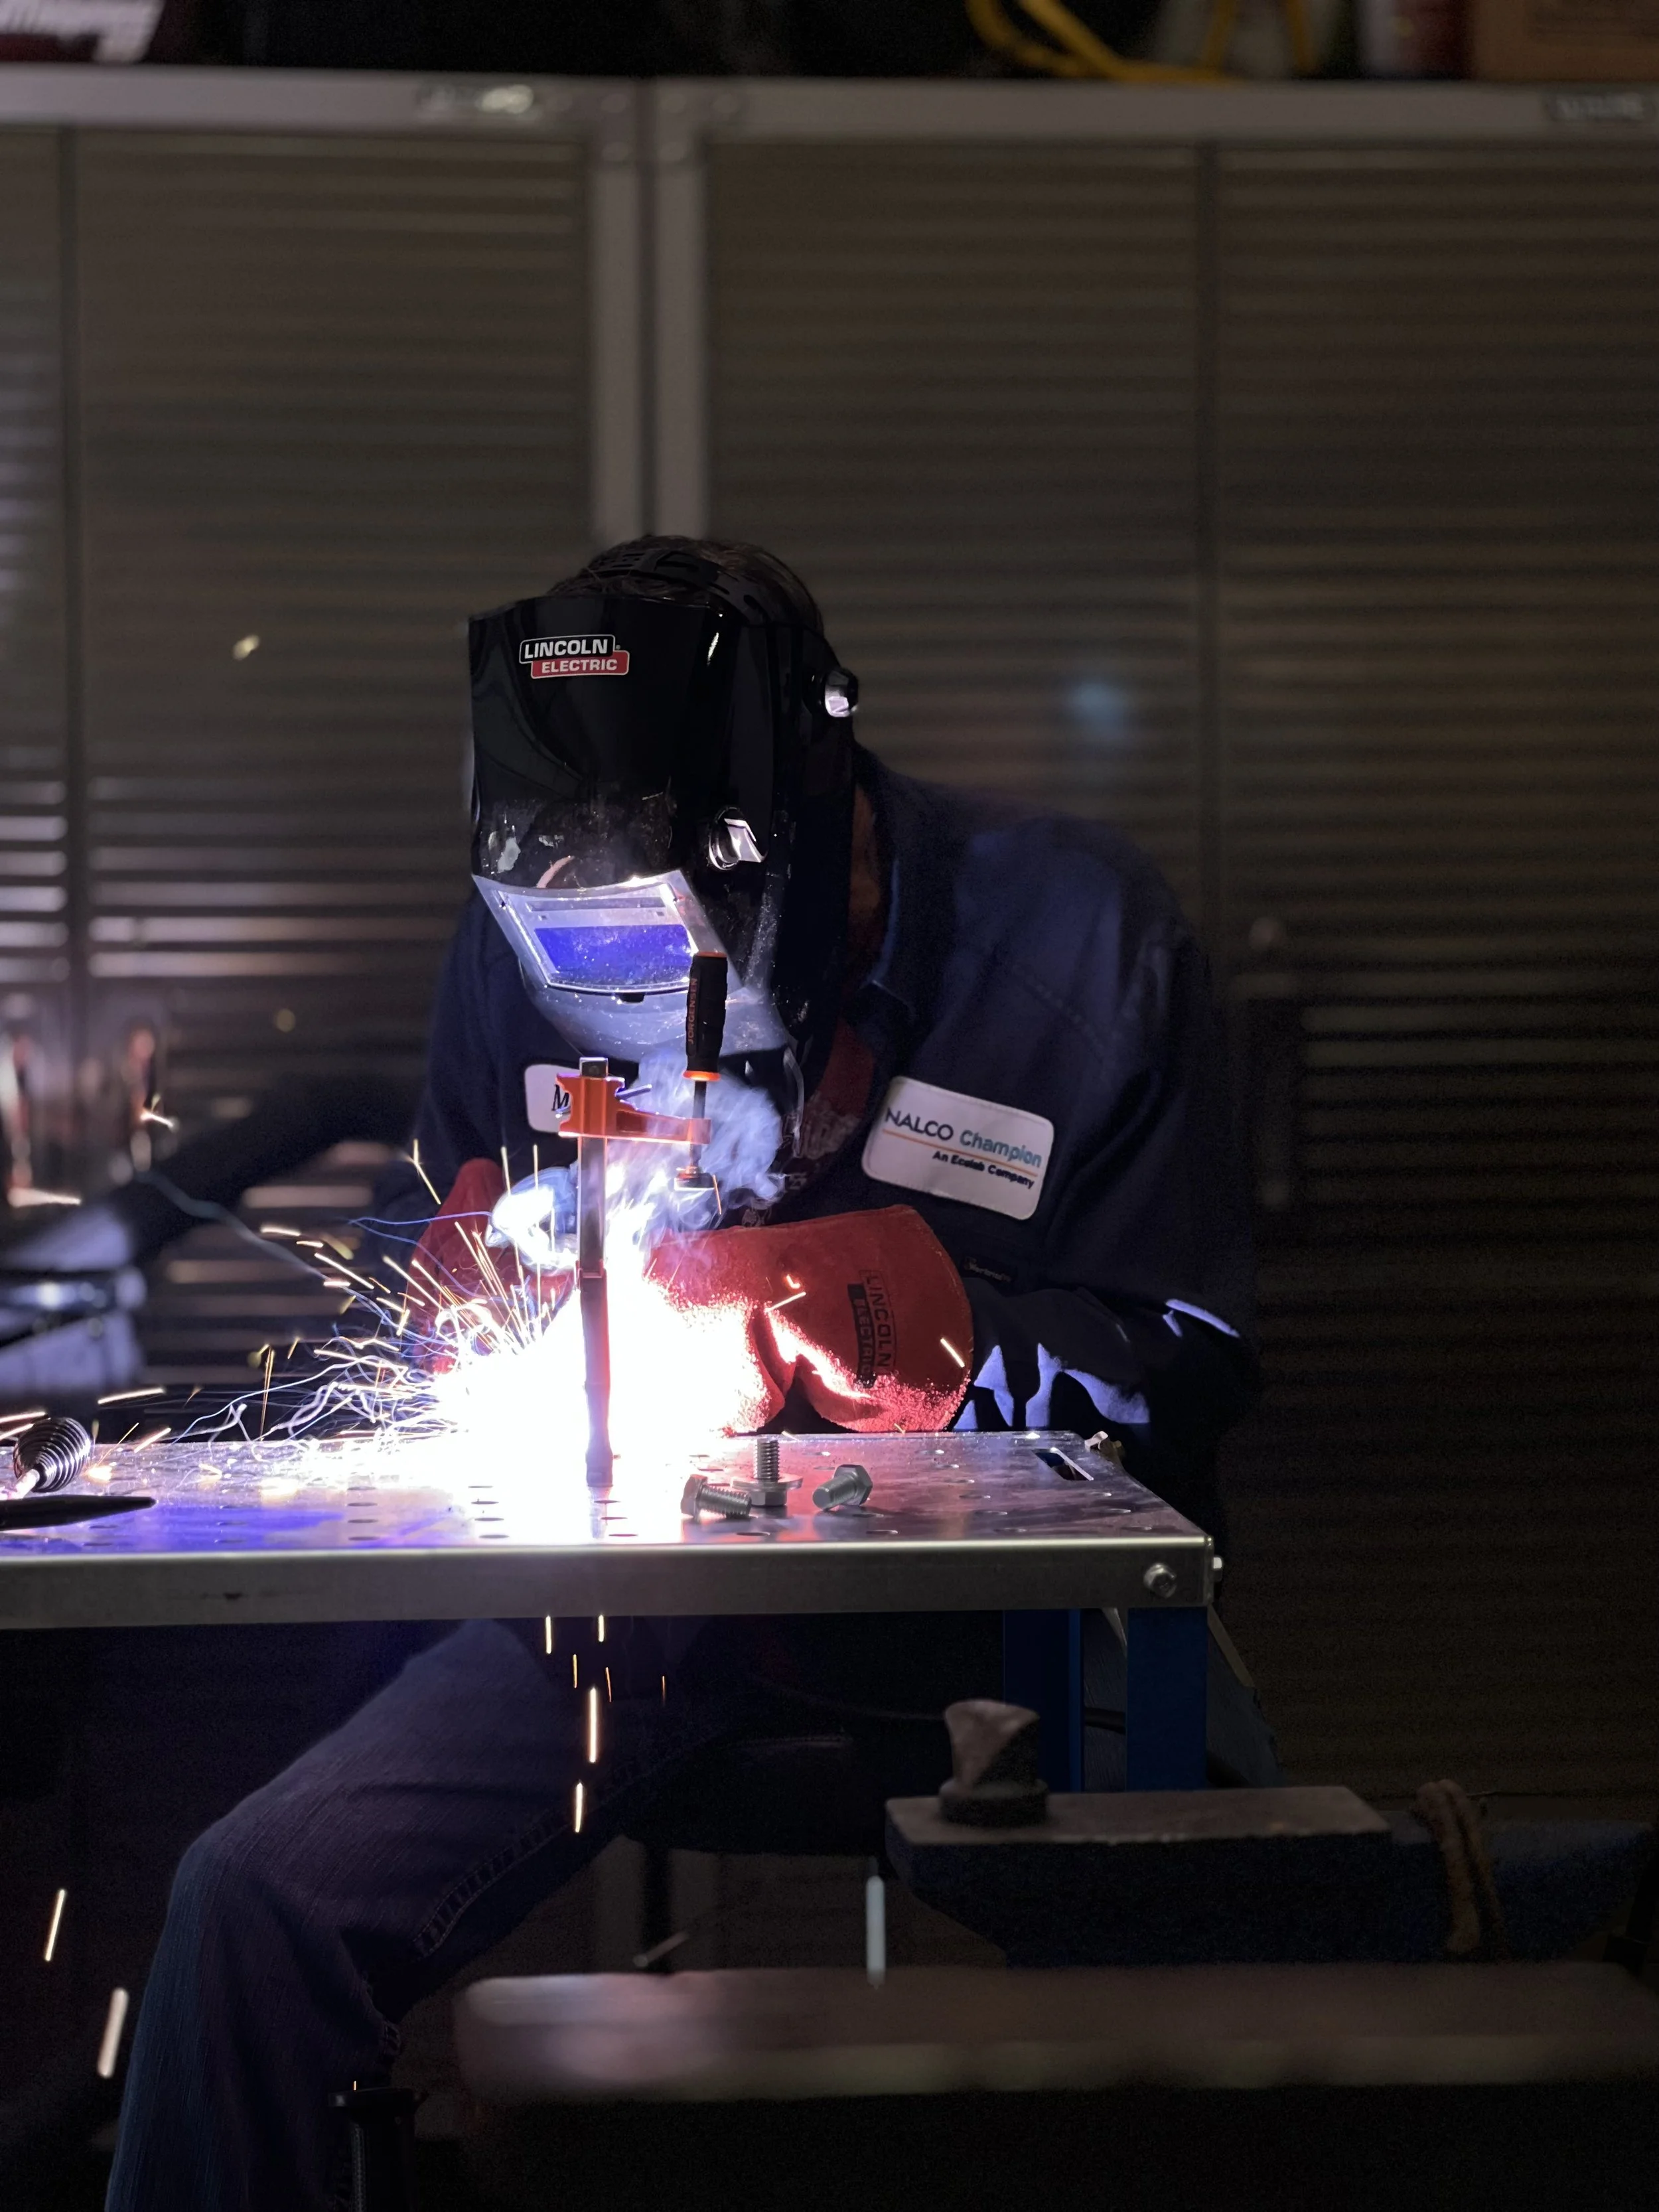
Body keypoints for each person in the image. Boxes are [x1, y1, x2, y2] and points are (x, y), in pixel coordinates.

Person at [108, 537, 1279, 2211]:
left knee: (1206, 1964)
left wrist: (921, 1339)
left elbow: (1190, 1377)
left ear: (808, 811)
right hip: (633, 1614)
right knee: (255, 1900)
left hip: (1023, 1616)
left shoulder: (1081, 947)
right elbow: (447, 1253)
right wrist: (458, 1296)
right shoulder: (513, 945)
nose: (628, 1001)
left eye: (665, 933)